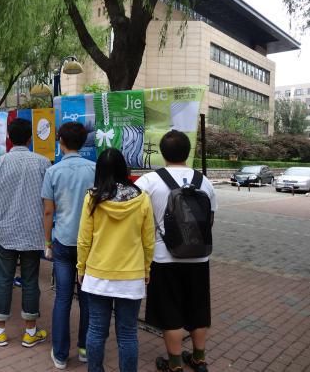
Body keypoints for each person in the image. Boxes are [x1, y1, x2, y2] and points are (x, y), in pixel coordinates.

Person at [135, 130, 216, 372]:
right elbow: (209, 221)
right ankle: (199, 359)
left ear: (162, 153)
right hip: (199, 257)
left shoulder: (149, 181)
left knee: (170, 311)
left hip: (164, 258)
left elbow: (135, 218)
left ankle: (175, 363)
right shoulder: (204, 182)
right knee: (199, 309)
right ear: (188, 152)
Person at [77, 148, 155, 372]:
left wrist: (81, 268)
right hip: (131, 276)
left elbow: (84, 240)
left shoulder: (92, 199)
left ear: (99, 171)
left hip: (97, 274)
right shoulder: (142, 199)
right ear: (123, 169)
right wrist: (146, 268)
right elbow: (148, 240)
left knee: (96, 330)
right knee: (128, 334)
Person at [0, 118, 51, 348]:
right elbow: (48, 199)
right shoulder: (43, 163)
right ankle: (30, 331)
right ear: (30, 138)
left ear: (9, 138)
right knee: (30, 280)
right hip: (33, 231)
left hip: (6, 230)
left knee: (4, 279)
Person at [41, 122, 95, 369]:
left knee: (63, 298)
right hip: (90, 243)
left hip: (62, 240)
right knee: (87, 298)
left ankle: (61, 354)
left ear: (60, 141)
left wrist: (47, 242)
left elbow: (48, 211)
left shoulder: (53, 171)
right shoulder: (95, 169)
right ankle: (85, 349)